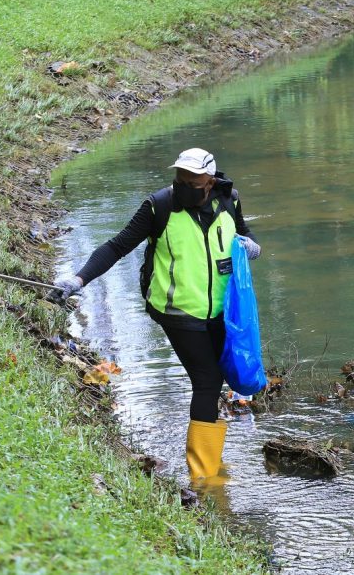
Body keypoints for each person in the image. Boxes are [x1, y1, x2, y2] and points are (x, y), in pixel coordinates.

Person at [53, 148, 261, 486]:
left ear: (209, 182)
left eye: (192, 181)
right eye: (179, 179)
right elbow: (116, 246)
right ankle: (205, 476)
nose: (183, 186)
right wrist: (78, 279)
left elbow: (244, 234)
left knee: (219, 379)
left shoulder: (229, 200)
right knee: (206, 380)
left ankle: (211, 463)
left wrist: (252, 247)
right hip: (177, 311)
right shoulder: (159, 206)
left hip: (223, 309)